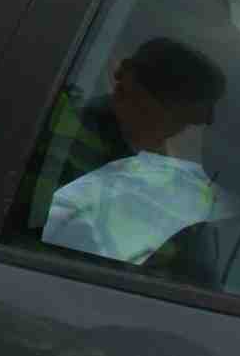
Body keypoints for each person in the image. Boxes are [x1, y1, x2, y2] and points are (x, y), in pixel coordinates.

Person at [40, 36, 227, 264]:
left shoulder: (172, 182)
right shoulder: (63, 144)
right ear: (132, 89)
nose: (177, 132)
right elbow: (74, 259)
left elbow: (198, 276)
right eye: (180, 118)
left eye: (187, 122)